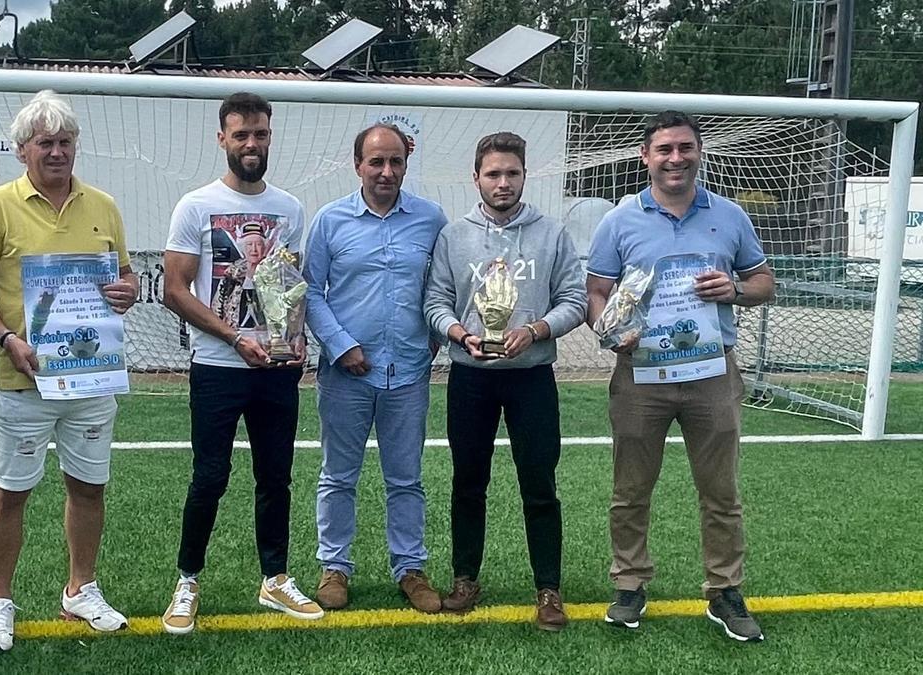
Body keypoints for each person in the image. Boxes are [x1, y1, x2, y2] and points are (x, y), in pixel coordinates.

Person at [0, 90, 140, 653]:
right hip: (22, 379)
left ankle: (80, 589)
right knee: (10, 491)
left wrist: (127, 292)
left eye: (66, 142)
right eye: (46, 144)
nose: (57, 153)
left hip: (90, 378)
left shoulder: (103, 205)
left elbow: (125, 278)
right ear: (22, 151)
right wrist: (9, 338)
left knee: (89, 488)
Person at [585, 110, 776, 642]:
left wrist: (733, 291)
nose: (675, 158)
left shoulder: (730, 216)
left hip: (712, 373)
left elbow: (764, 281)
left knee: (721, 491)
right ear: (646, 156)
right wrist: (608, 330)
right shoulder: (619, 220)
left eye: (685, 148)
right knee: (630, 488)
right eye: (664, 149)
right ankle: (629, 582)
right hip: (640, 372)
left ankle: (724, 590)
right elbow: (596, 293)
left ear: (698, 153)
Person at [161, 92, 322, 635]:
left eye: (260, 134)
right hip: (218, 365)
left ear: (270, 137)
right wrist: (234, 338)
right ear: (222, 138)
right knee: (209, 477)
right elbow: (174, 290)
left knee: (276, 477)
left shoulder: (290, 207)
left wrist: (294, 339)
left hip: (277, 367)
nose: (250, 143)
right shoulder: (196, 205)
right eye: (240, 134)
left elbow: (289, 287)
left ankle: (275, 578)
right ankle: (187, 580)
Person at [423, 132, 586, 629]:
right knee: (468, 483)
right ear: (477, 178)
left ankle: (549, 589)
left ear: (524, 176)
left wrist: (535, 330)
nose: (503, 182)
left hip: (531, 377)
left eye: (511, 173)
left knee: (540, 485)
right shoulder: (454, 235)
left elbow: (575, 300)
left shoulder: (551, 233)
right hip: (471, 377)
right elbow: (435, 301)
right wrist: (458, 334)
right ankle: (465, 578)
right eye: (493, 174)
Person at [304, 123, 447, 613]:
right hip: (346, 375)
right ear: (357, 164)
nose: (386, 172)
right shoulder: (329, 221)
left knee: (406, 478)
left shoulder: (431, 220)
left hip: (408, 374)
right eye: (376, 162)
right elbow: (310, 292)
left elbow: (441, 287)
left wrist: (432, 339)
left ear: (406, 164)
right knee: (338, 476)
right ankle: (335, 568)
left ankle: (410, 568)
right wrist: (341, 346)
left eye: (395, 162)